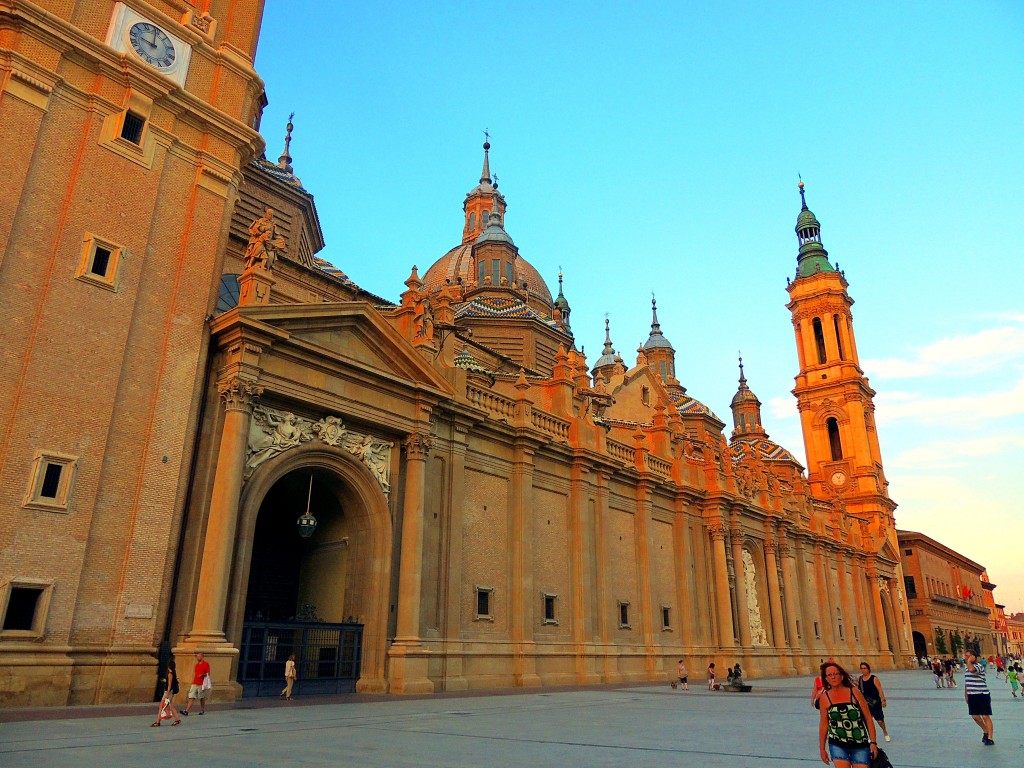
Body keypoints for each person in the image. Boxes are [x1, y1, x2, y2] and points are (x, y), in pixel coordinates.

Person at [818, 661, 877, 768]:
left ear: (841, 676)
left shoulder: (854, 692)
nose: (833, 677)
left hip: (860, 743)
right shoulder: (824, 698)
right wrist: (822, 749)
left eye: (836, 674)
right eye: (830, 675)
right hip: (837, 744)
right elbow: (824, 724)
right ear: (826, 679)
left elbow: (868, 718)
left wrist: (873, 742)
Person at [964, 649, 994, 745]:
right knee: (975, 717)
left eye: (968, 656)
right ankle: (985, 731)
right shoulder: (967, 668)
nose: (965, 658)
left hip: (982, 695)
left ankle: (990, 737)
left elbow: (972, 670)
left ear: (973, 657)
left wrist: (969, 662)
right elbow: (967, 682)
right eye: (965, 656)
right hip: (972, 695)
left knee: (985, 716)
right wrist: (966, 695)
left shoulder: (978, 666)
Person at [856, 662, 890, 742]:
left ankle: (885, 732)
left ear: (868, 669)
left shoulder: (874, 678)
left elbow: (879, 689)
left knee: (879, 720)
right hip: (865, 703)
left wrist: (883, 700)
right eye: (861, 668)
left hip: (875, 703)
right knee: (868, 720)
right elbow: (858, 691)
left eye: (865, 668)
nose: (863, 670)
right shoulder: (860, 679)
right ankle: (870, 736)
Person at [151, 658, 180, 727]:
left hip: (168, 692)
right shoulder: (173, 673)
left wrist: (167, 694)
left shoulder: (170, 674)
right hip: (171, 692)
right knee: (170, 706)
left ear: (169, 667)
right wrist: (165, 680)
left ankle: (158, 722)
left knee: (161, 706)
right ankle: (177, 719)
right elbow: (171, 682)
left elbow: (169, 685)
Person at [181, 651, 211, 716]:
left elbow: (208, 674)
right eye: (197, 657)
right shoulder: (196, 665)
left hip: (202, 683)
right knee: (191, 696)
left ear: (202, 657)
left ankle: (202, 710)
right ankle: (186, 711)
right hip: (195, 682)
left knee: (201, 697)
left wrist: (202, 675)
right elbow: (195, 674)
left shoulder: (206, 664)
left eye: (199, 656)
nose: (198, 658)